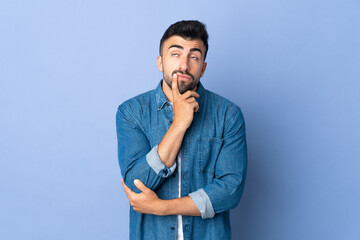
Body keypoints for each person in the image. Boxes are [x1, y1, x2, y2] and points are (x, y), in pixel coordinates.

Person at [116, 20, 247, 240]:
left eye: (194, 57)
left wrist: (162, 207)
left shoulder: (228, 115)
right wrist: (179, 124)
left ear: (203, 68)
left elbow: (230, 191)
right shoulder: (131, 112)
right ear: (160, 62)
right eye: (175, 54)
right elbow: (136, 185)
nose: (184, 65)